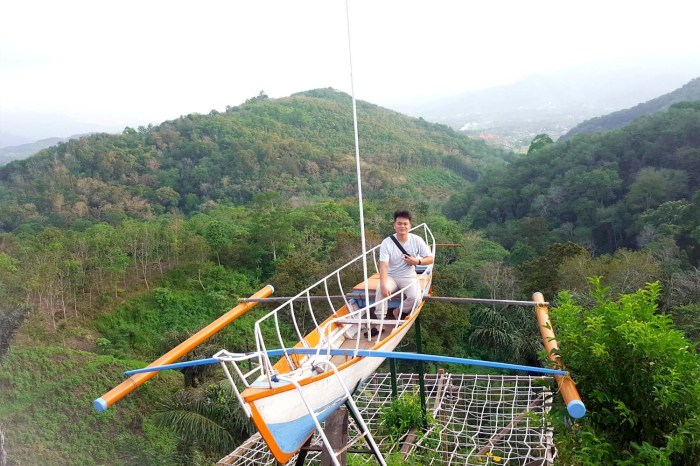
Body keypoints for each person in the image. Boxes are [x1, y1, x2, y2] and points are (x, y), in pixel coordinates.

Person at [366, 210, 434, 338]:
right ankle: (380, 323)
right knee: (381, 289)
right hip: (391, 275)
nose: (402, 226)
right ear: (394, 225)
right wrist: (383, 284)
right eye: (399, 223)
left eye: (405, 224)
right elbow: (384, 265)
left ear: (410, 226)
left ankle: (399, 311)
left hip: (408, 276)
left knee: (416, 298)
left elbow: (430, 258)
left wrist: (417, 261)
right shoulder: (387, 242)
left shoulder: (416, 240)